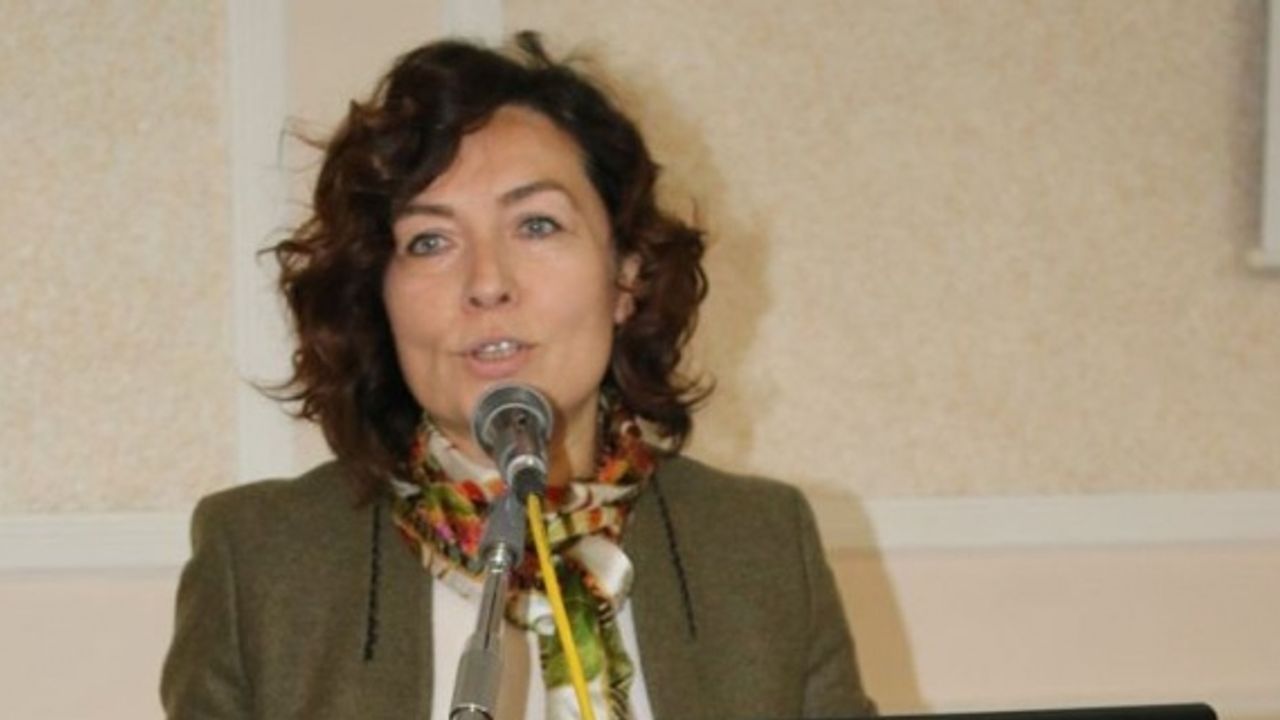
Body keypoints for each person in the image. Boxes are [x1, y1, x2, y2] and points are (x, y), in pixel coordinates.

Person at [161, 31, 876, 720]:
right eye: (430, 241)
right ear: (377, 295)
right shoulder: (259, 559)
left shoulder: (762, 544)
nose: (487, 283)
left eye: (536, 225)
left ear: (626, 275)